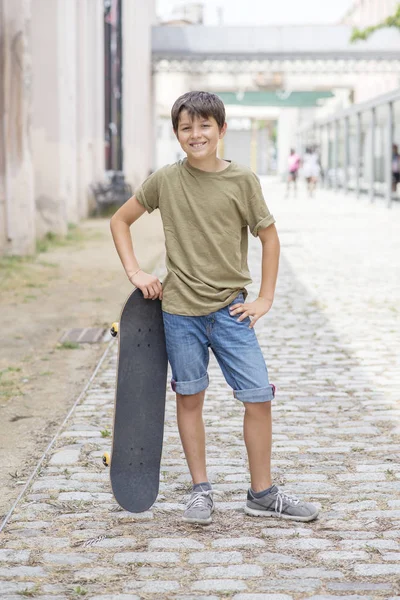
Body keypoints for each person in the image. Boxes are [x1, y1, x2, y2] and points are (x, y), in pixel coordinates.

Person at [110, 91, 319, 525]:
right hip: (179, 312)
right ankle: (200, 490)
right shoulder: (165, 180)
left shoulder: (242, 180)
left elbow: (270, 238)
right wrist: (136, 273)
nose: (196, 134)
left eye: (204, 125)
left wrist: (265, 297)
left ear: (221, 130)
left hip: (231, 311)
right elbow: (120, 220)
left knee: (259, 397)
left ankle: (262, 494)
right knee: (190, 398)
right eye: (186, 127)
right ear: (177, 134)